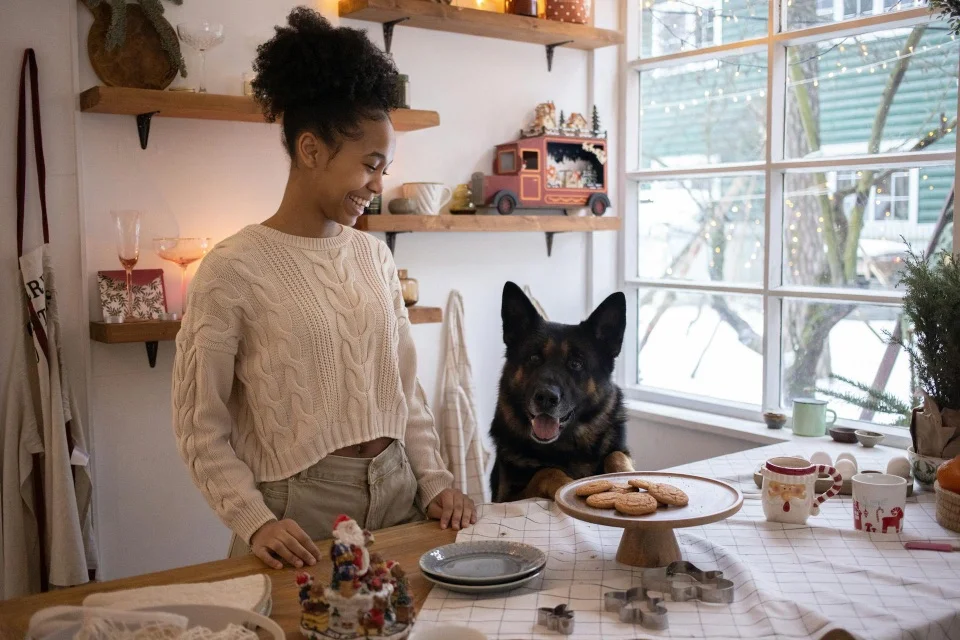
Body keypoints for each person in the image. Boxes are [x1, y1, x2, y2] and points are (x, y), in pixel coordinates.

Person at [172, 7, 475, 571]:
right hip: (300, 512)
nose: (378, 185)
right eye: (370, 165)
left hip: (399, 492)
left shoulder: (374, 256)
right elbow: (198, 422)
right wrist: (253, 518)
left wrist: (434, 481)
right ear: (312, 150)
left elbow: (403, 389)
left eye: (384, 169)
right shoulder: (232, 268)